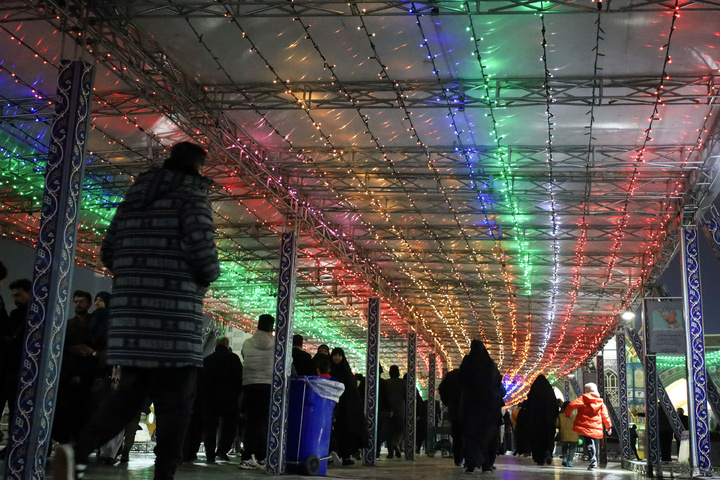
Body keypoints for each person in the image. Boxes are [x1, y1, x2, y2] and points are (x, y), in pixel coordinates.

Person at [54, 141, 221, 480]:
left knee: (128, 399)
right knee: (177, 408)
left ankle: (77, 450)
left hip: (132, 324)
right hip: (174, 323)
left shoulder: (134, 196)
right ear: (198, 168)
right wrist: (196, 278)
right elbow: (206, 259)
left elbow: (108, 250)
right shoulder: (192, 196)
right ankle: (164, 476)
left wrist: (135, 281)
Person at [53, 290, 99, 445]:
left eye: (82, 301)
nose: (78, 304)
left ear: (89, 303)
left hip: (91, 375)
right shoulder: (68, 325)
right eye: (76, 301)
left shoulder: (95, 323)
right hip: (70, 375)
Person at [459, 339, 505, 473]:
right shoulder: (490, 364)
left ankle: (471, 463)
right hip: (488, 408)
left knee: (471, 435)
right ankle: (486, 464)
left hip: (471, 405)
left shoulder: (468, 362)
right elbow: (497, 382)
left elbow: (461, 378)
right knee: (487, 435)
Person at [238, 313, 275, 470]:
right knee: (262, 423)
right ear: (271, 327)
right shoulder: (276, 343)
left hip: (249, 384)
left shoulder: (247, 343)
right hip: (267, 384)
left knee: (252, 421)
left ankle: (259, 456)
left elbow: (245, 356)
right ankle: (249, 457)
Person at [1, 278, 31, 451]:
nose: (16, 299)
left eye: (19, 295)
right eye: (14, 296)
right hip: (12, 368)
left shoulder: (32, 315)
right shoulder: (15, 315)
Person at [202, 336, 243, 463]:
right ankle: (222, 450)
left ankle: (209, 454)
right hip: (229, 399)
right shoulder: (233, 359)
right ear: (227, 344)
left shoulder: (207, 360)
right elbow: (239, 379)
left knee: (210, 427)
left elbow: (202, 381)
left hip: (211, 398)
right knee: (229, 427)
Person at [330, 347, 366, 466]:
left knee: (346, 432)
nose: (337, 357)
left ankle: (346, 456)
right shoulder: (331, 371)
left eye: (339, 355)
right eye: (335, 355)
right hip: (333, 406)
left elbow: (352, 392)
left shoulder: (346, 372)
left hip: (346, 409)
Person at [564, 382, 612, 470]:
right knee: (594, 443)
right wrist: (609, 427)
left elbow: (571, 405)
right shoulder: (600, 402)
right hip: (596, 427)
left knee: (590, 444)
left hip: (585, 426)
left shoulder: (583, 399)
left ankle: (593, 462)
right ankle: (594, 460)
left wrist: (567, 414)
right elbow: (605, 416)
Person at [525, 374, 559, 465]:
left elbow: (528, 406)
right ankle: (548, 451)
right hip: (548, 421)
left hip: (535, 421)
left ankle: (539, 458)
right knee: (548, 438)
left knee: (537, 440)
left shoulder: (534, 391)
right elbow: (556, 406)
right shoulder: (549, 392)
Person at [438, 368, 463, 466]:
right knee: (468, 434)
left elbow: (441, 389)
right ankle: (470, 459)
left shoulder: (451, 376)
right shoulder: (471, 373)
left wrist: (447, 402)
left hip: (454, 408)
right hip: (469, 409)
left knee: (457, 435)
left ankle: (458, 459)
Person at [385, 365, 406, 459]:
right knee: (400, 430)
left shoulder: (386, 383)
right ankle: (396, 443)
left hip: (388, 411)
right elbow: (407, 397)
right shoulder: (403, 383)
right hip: (400, 410)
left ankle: (390, 453)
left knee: (389, 432)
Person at [556, 400, 579, 467]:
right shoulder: (575, 416)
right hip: (574, 435)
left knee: (564, 447)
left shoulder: (560, 416)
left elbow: (556, 424)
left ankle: (565, 459)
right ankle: (570, 462)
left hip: (564, 435)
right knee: (572, 449)